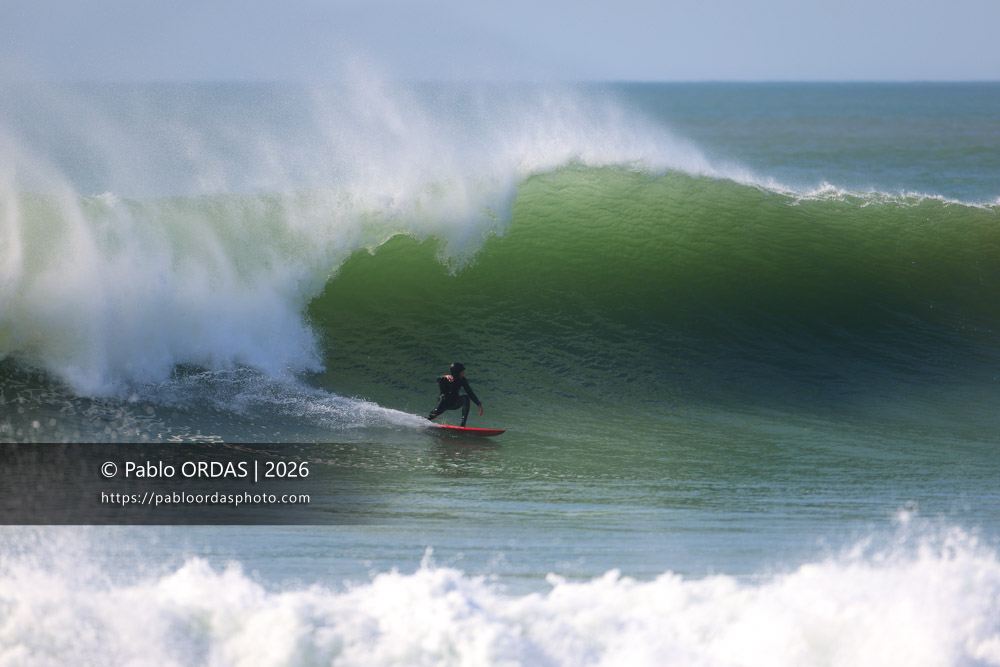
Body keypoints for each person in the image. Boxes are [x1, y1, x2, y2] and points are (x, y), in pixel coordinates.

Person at [427, 362, 483, 427]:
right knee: (434, 415)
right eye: (462, 371)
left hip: (454, 402)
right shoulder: (446, 379)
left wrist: (478, 404)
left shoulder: (462, 380)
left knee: (465, 398)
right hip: (444, 402)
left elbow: (469, 392)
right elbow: (438, 379)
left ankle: (463, 424)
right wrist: (445, 376)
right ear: (457, 372)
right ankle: (422, 421)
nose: (463, 373)